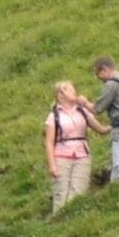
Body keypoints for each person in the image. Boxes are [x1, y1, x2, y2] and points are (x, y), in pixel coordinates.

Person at [46, 81, 98, 216]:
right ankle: (58, 222)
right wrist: (52, 165)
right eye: (68, 89)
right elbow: (49, 142)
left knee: (79, 190)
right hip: (61, 157)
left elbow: (99, 128)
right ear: (60, 95)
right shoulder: (54, 116)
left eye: (73, 89)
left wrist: (115, 126)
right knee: (61, 193)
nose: (73, 91)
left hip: (82, 155)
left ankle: (74, 220)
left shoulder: (82, 111)